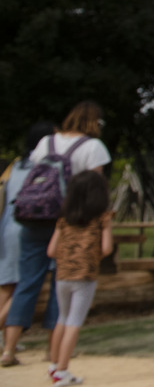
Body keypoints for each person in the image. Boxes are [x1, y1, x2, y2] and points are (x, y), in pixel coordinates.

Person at [3, 103, 109, 369]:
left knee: (26, 283)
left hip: (32, 218)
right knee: (59, 285)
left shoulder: (46, 142)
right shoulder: (92, 147)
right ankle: (54, 352)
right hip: (67, 221)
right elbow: (94, 189)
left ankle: (8, 349)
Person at [45, 171, 113, 386]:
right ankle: (63, 371)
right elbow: (106, 249)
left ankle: (54, 365)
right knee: (74, 323)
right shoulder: (101, 220)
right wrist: (105, 231)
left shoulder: (64, 220)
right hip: (85, 277)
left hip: (63, 276)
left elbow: (51, 251)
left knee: (62, 318)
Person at [0, 122, 58, 368]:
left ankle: (8, 348)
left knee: (7, 287)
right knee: (26, 284)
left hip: (7, 228)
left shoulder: (15, 166)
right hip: (32, 228)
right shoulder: (47, 166)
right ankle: (41, 350)